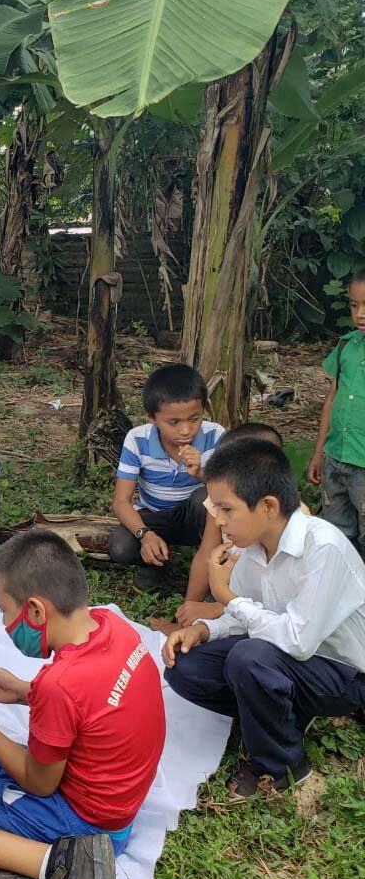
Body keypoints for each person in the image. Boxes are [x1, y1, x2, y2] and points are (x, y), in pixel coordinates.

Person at [0, 528, 164, 879]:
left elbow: (38, 783)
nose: (5, 624)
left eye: (6, 612)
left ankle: (59, 865)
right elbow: (93, 707)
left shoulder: (62, 684)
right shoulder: (114, 626)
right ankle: (37, 869)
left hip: (91, 824)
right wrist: (25, 692)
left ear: (37, 612)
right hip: (115, 799)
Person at [162, 439, 365, 801]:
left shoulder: (323, 548)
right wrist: (205, 629)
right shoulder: (249, 547)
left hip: (343, 673)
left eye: (226, 509)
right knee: (185, 667)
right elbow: (247, 618)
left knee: (250, 658)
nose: (219, 521)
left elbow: (298, 641)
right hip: (285, 656)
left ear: (268, 506)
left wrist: (226, 596)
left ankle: (282, 765)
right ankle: (275, 714)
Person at [173, 423, 303, 630]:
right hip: (235, 598)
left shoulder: (299, 523)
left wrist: (220, 607)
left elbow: (287, 610)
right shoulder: (222, 505)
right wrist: (190, 608)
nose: (220, 520)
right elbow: (207, 555)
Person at [109, 363, 224, 591]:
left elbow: (229, 492)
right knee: (120, 546)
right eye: (174, 422)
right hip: (155, 515)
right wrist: (145, 535)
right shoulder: (137, 440)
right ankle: (156, 565)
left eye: (194, 419)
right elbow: (121, 502)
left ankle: (211, 569)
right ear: (151, 417)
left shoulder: (216, 436)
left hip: (198, 517)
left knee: (204, 497)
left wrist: (201, 472)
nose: (186, 430)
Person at [307, 272, 365, 560]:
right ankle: (344, 593)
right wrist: (319, 452)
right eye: (354, 305)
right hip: (335, 458)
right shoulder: (346, 345)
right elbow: (331, 399)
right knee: (337, 534)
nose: (360, 314)